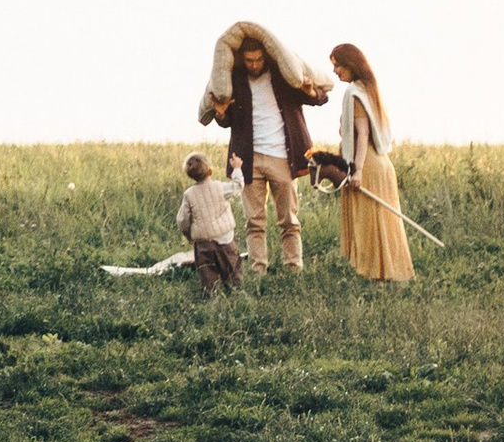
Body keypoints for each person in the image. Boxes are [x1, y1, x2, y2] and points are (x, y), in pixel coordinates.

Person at [202, 26, 322, 276]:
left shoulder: (282, 75)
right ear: (241, 60)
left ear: (265, 56)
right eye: (248, 60)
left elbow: (316, 98)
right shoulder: (235, 79)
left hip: (282, 157)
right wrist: (221, 112)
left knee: (289, 220)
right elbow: (227, 121)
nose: (254, 65)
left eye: (258, 60)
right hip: (248, 159)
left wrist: (310, 89)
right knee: (254, 221)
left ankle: (293, 268)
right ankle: (258, 270)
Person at [328, 43, 414, 288]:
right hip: (380, 162)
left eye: (338, 65)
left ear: (350, 64)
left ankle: (379, 280)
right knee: (381, 220)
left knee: (372, 222)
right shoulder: (368, 89)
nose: (335, 71)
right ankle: (382, 277)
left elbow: (362, 134)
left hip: (369, 164)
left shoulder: (355, 92)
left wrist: (357, 170)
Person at [175, 154, 243, 297]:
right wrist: (237, 168)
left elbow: (182, 220)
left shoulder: (189, 194)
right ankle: (236, 294)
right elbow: (237, 186)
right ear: (210, 172)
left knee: (207, 273)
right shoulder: (219, 187)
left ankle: (211, 296)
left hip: (203, 243)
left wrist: (188, 235)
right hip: (225, 239)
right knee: (231, 267)